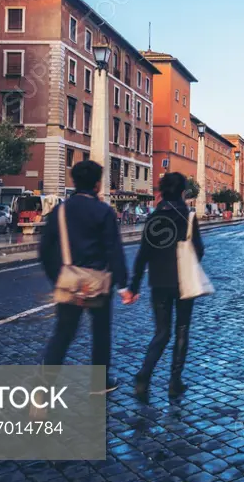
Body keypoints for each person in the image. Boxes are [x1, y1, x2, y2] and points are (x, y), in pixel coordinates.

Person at [39, 160, 129, 394]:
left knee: (62, 334)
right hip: (97, 281)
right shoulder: (104, 211)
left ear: (74, 181)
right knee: (100, 332)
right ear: (98, 184)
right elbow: (114, 249)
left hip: (68, 280)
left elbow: (45, 249)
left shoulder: (59, 211)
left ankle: (45, 386)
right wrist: (124, 285)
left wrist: (57, 277)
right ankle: (100, 383)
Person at [124, 172, 204, 401]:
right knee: (181, 330)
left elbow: (142, 255)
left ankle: (144, 375)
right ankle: (174, 381)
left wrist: (134, 286)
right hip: (183, 281)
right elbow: (199, 249)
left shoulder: (154, 216)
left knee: (161, 332)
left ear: (162, 192)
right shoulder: (188, 215)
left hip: (158, 282)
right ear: (182, 192)